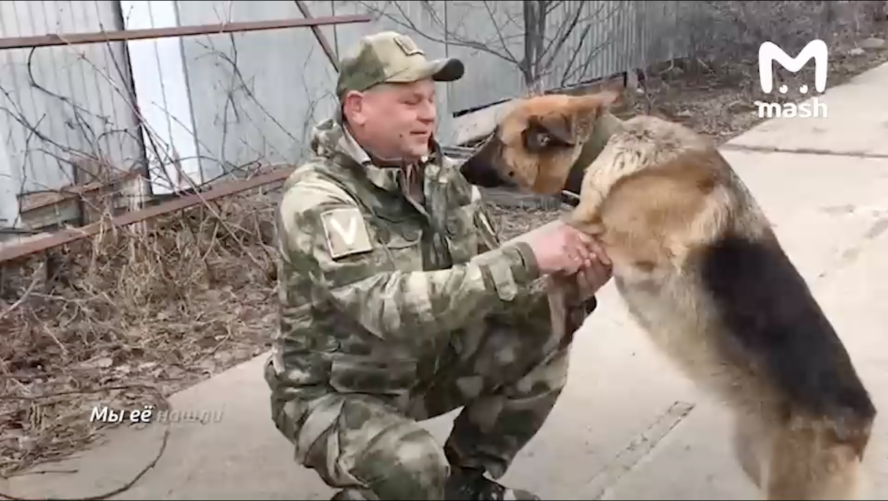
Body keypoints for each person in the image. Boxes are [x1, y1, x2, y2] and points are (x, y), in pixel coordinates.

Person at [264, 30, 613, 501]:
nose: (429, 113)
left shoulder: (439, 177)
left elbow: (483, 282)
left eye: (430, 99)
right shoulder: (319, 198)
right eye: (410, 101)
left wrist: (568, 287)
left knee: (546, 327)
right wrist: (526, 256)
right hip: (336, 392)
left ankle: (464, 483)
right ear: (357, 108)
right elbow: (384, 307)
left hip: (421, 367)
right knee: (414, 466)